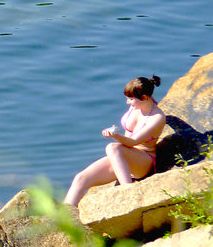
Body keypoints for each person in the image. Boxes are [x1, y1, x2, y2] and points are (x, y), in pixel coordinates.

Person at [63, 75, 165, 207]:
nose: (128, 102)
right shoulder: (137, 106)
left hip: (143, 161)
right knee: (80, 179)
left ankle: (128, 192)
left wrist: (115, 135)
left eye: (130, 99)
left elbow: (133, 141)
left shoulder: (157, 118)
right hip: (123, 156)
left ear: (145, 97)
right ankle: (64, 220)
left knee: (112, 147)